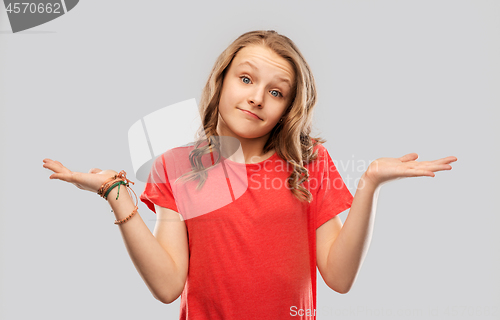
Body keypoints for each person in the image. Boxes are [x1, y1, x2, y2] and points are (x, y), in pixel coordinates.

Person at [42, 30, 457, 319]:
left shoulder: (309, 162)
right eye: (246, 79)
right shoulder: (177, 166)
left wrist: (369, 184)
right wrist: (116, 193)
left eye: (276, 91)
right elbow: (168, 286)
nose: (257, 97)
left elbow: (340, 277)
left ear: (288, 107)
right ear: (221, 82)